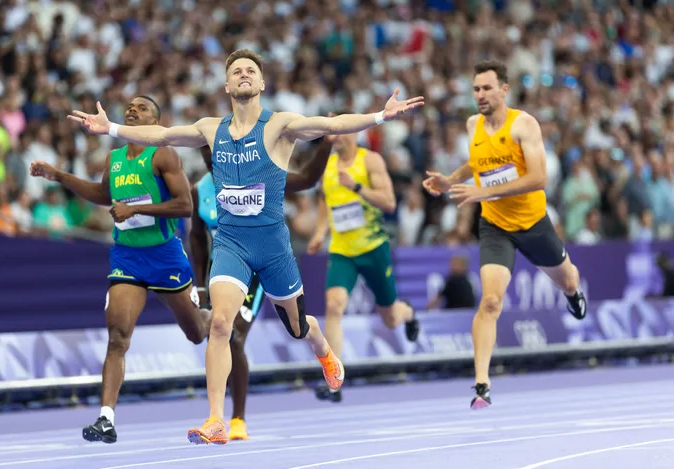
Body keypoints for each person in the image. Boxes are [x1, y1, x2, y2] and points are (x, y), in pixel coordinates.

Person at [68, 49, 425, 445]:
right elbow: (162, 135)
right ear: (226, 85)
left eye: (250, 70)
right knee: (220, 324)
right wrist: (112, 129)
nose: (243, 74)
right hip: (232, 245)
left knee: (297, 326)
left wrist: (379, 116)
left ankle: (321, 347)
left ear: (261, 84)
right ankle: (216, 420)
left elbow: (331, 122)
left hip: (273, 248)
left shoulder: (280, 126)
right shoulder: (209, 128)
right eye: (235, 70)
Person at [30, 95, 213, 444]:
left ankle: (210, 317)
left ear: (156, 123)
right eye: (130, 106)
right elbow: (102, 194)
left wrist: (135, 211)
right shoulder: (114, 159)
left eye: (143, 107)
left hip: (165, 256)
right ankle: (106, 418)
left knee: (195, 333)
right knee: (117, 336)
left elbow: (185, 206)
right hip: (127, 257)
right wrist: (58, 175)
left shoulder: (163, 153)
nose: (133, 109)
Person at [422, 60, 587, 410]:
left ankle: (573, 295)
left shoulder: (523, 124)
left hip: (533, 224)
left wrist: (481, 193)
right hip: (495, 227)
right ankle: (482, 383)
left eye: (486, 88)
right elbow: (479, 164)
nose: (480, 95)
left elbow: (539, 178)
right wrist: (452, 179)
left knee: (569, 279)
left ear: (503, 90)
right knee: (491, 302)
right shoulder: (472, 125)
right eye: (476, 89)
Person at [190, 138, 333, 440]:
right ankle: (223, 419)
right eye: (205, 158)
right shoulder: (200, 190)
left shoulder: (257, 172)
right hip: (229, 266)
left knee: (293, 329)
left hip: (265, 262)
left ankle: (317, 338)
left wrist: (327, 144)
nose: (210, 163)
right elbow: (198, 240)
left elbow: (307, 179)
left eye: (213, 156)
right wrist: (201, 285)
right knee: (224, 330)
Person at [306, 124, 420, 403]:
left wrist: (357, 187)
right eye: (333, 132)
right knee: (333, 307)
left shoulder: (370, 161)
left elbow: (390, 203)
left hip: (373, 248)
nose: (337, 137)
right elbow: (324, 200)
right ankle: (335, 380)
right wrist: (321, 232)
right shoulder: (328, 165)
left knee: (390, 318)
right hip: (342, 251)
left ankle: (407, 312)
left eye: (343, 131)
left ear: (355, 133)